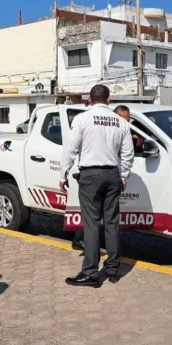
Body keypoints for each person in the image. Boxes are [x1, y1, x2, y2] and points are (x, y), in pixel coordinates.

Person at [60, 85, 134, 287]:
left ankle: (91, 273)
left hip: (90, 175)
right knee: (112, 223)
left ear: (90, 100)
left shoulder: (82, 119)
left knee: (92, 225)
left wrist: (63, 173)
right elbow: (128, 153)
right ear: (108, 100)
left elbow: (71, 148)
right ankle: (113, 270)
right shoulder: (121, 122)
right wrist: (124, 176)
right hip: (112, 174)